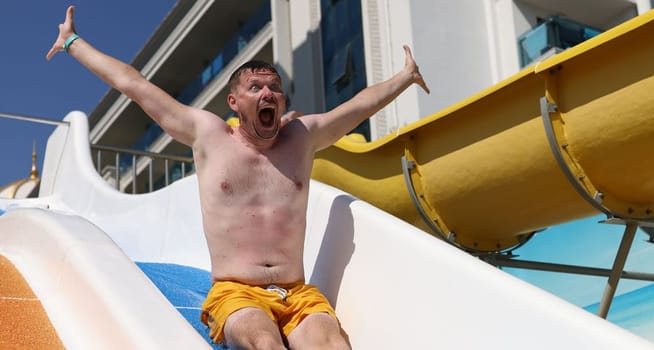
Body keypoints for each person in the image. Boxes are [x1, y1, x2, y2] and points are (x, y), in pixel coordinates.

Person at [47, 6, 428, 349]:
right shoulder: (208, 135)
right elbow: (135, 85)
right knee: (264, 342)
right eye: (256, 88)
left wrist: (405, 76)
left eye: (275, 88)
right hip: (236, 291)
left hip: (297, 293)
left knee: (331, 345)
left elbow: (358, 106)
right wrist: (74, 42)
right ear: (234, 102)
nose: (269, 93)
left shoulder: (303, 137)